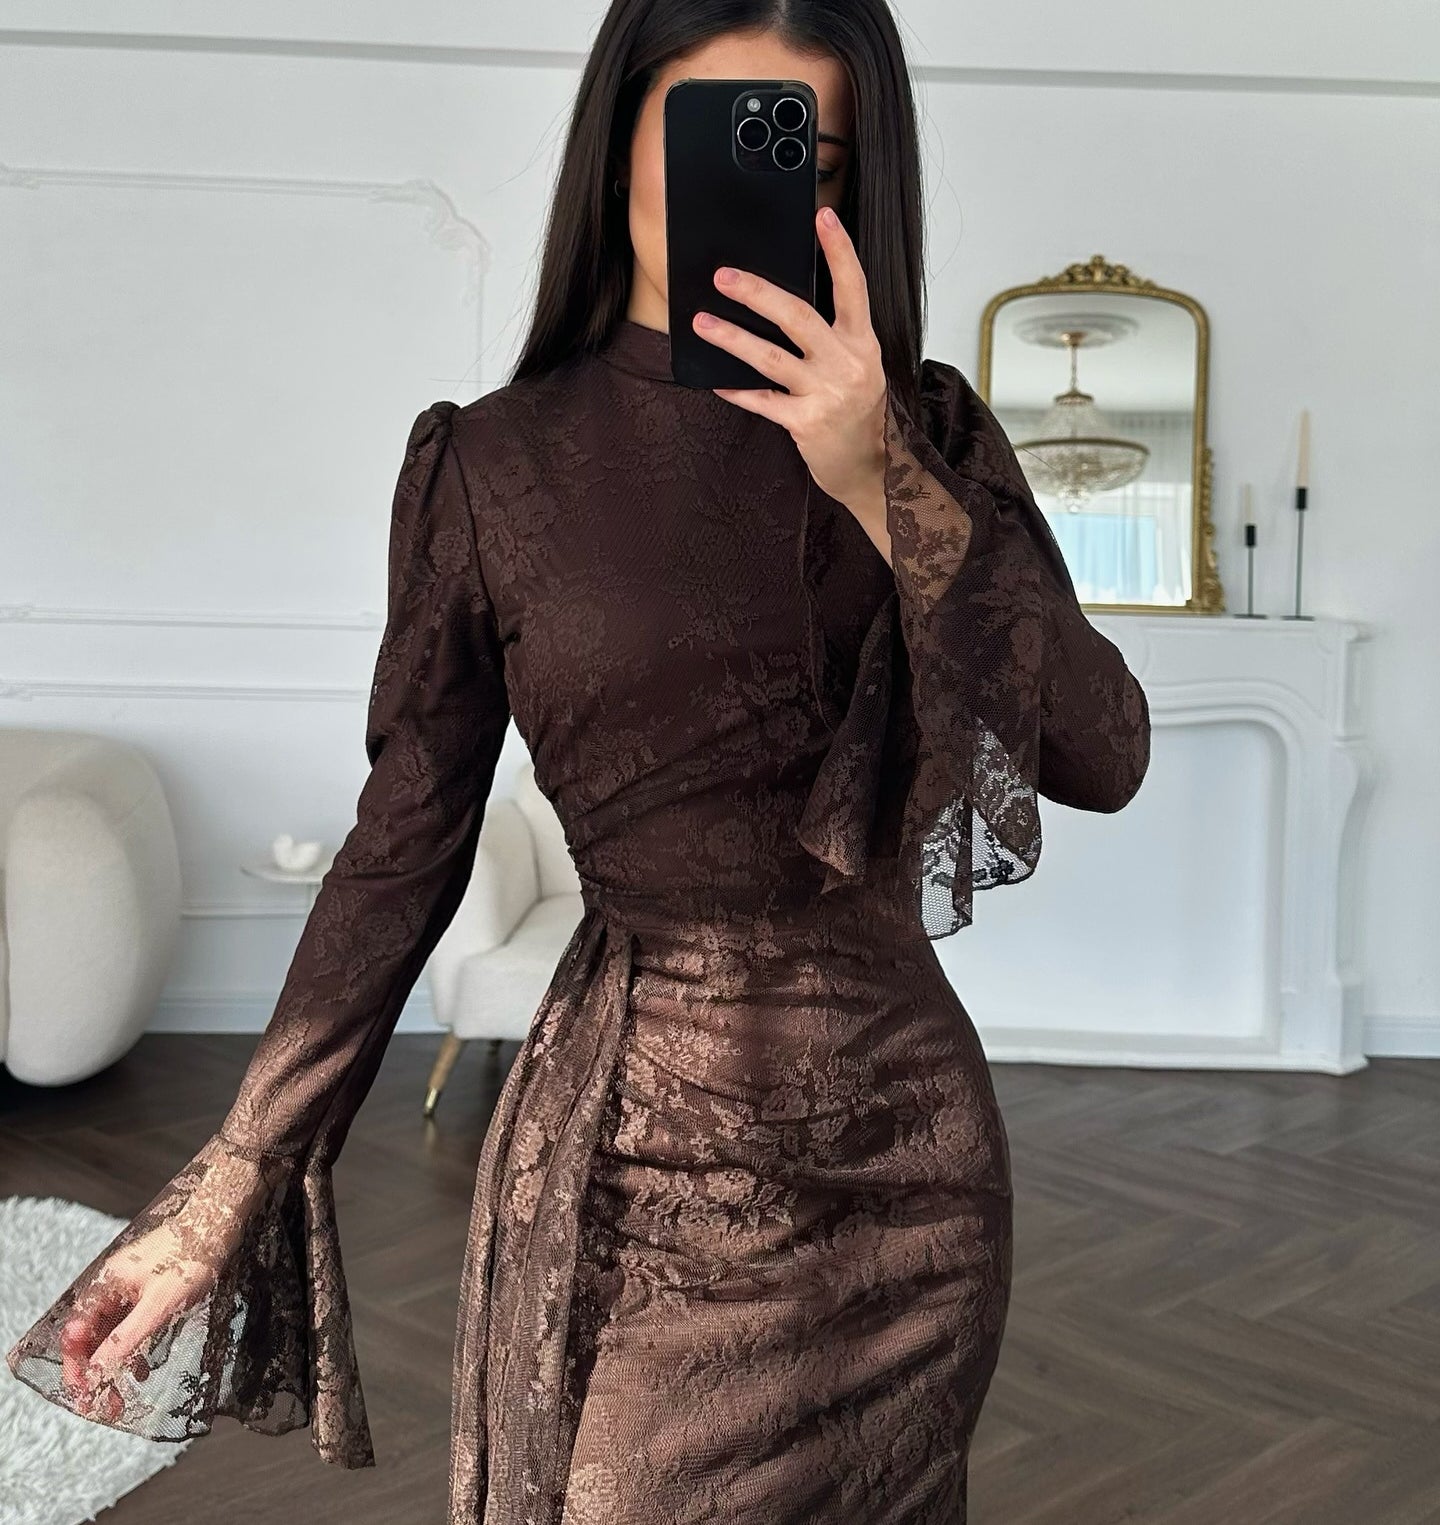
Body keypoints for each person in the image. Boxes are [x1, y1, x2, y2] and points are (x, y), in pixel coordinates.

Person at [5, 4, 1151, 1522]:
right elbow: (403, 846)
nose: (749, 187)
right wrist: (228, 1183)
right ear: (619, 143)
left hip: (909, 1175)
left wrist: (881, 477)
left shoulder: (926, 433)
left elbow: (1102, 749)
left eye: (801, 152)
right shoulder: (494, 465)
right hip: (637, 1167)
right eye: (710, 137)